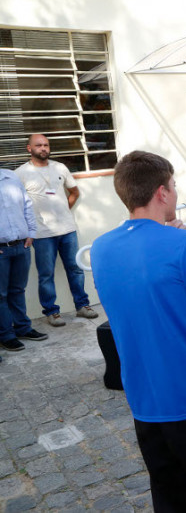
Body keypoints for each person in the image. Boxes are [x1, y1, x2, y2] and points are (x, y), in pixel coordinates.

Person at [92, 151, 186, 511]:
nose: (175, 193)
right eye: (173, 186)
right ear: (161, 192)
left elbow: (141, 300)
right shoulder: (184, 244)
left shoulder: (100, 248)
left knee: (169, 495)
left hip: (144, 400)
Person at [16, 134, 98, 327]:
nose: (43, 148)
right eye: (39, 145)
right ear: (29, 148)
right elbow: (17, 204)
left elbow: (74, 192)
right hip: (42, 234)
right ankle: (52, 312)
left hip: (68, 230)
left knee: (75, 269)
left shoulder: (60, 167)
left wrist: (63, 211)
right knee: (46, 274)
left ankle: (82, 305)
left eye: (46, 145)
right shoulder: (20, 173)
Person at [0, 169, 47, 355]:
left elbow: (27, 205)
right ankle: (6, 335)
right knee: (1, 295)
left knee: (18, 290)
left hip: (21, 245)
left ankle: (23, 328)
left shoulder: (10, 176)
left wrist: (31, 233)